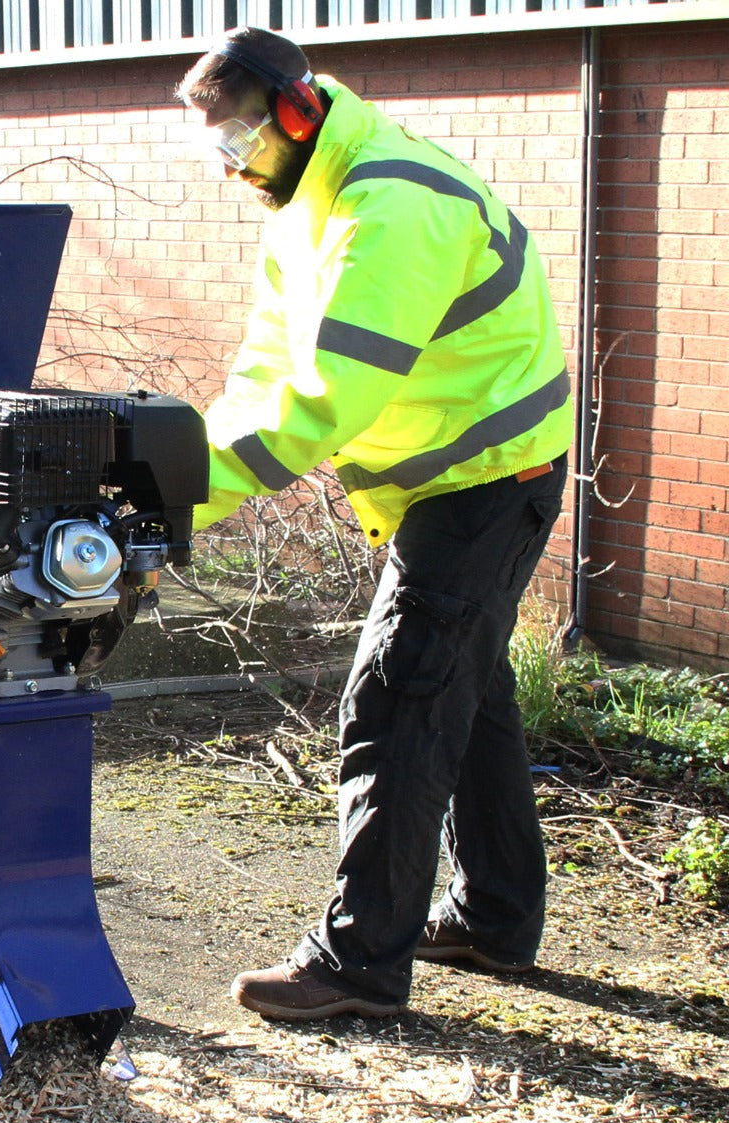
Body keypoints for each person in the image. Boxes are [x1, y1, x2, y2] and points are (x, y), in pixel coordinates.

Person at [176, 27, 573, 1021]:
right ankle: (495, 918)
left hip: (486, 478)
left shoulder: (388, 207)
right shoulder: (303, 208)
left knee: (397, 701)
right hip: (456, 481)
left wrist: (168, 506)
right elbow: (262, 377)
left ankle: (360, 963)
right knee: (464, 696)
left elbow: (320, 400)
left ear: (298, 113)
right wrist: (172, 475)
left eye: (245, 143)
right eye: (222, 150)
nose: (236, 168)